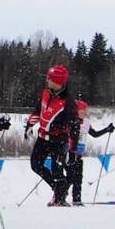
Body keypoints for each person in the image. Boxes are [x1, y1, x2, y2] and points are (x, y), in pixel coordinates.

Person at [25, 64, 79, 206]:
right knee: (35, 165)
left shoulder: (68, 102)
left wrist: (73, 150)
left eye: (50, 78)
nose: (47, 80)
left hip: (59, 140)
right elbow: (39, 110)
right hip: (42, 138)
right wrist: (29, 125)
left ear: (58, 82)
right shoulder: (46, 93)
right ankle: (58, 189)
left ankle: (60, 198)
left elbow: (74, 126)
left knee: (57, 170)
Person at [68, 99, 114, 206]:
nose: (85, 112)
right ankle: (59, 197)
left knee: (78, 178)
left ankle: (77, 200)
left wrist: (107, 129)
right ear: (76, 111)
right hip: (69, 153)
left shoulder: (86, 122)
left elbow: (94, 134)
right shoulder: (70, 121)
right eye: (82, 110)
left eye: (85, 110)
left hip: (79, 154)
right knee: (70, 177)